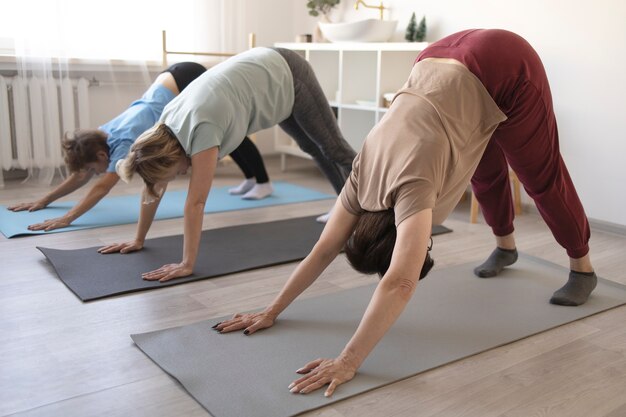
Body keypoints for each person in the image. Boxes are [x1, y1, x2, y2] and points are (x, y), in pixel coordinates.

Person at [212, 29, 597, 397]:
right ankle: (505, 247)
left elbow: (400, 281)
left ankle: (583, 266)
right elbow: (324, 248)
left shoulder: (414, 189)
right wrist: (271, 310)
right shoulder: (362, 174)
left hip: (506, 63)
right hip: (438, 58)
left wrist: (348, 361)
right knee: (482, 168)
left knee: (538, 174)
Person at [98, 47, 356, 280]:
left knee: (335, 149)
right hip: (268, 78)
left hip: (286, 72)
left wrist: (187, 263)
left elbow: (196, 203)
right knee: (312, 146)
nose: (183, 172)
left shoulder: (203, 129)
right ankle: (346, 209)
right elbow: (154, 187)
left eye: (176, 172)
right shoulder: (164, 130)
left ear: (172, 156)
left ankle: (380, 205)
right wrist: (138, 238)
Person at [7, 62, 273, 231]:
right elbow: (83, 175)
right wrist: (44, 201)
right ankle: (252, 179)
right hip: (171, 77)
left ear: (102, 155)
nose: (95, 172)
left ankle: (261, 181)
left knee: (229, 132)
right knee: (226, 133)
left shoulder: (122, 141)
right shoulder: (100, 137)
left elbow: (101, 187)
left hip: (185, 79)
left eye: (94, 167)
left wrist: (68, 218)